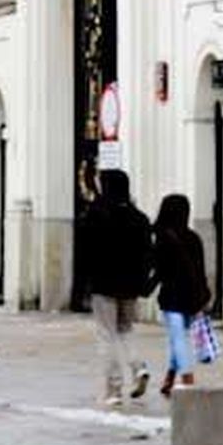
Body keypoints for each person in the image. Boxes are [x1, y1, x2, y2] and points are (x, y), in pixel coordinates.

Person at [83, 170, 154, 406]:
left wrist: (86, 283)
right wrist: (142, 282)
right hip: (131, 284)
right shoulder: (140, 218)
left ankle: (113, 390)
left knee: (107, 334)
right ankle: (139, 368)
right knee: (126, 329)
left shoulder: (96, 214)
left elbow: (87, 251)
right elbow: (147, 254)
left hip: (103, 283)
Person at [151, 194, 212, 397]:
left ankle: (187, 381)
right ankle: (170, 377)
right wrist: (204, 295)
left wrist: (145, 288)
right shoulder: (194, 238)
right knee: (179, 338)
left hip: (172, 297)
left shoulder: (163, 237)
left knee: (178, 339)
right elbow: (201, 269)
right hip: (192, 298)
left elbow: (159, 270)